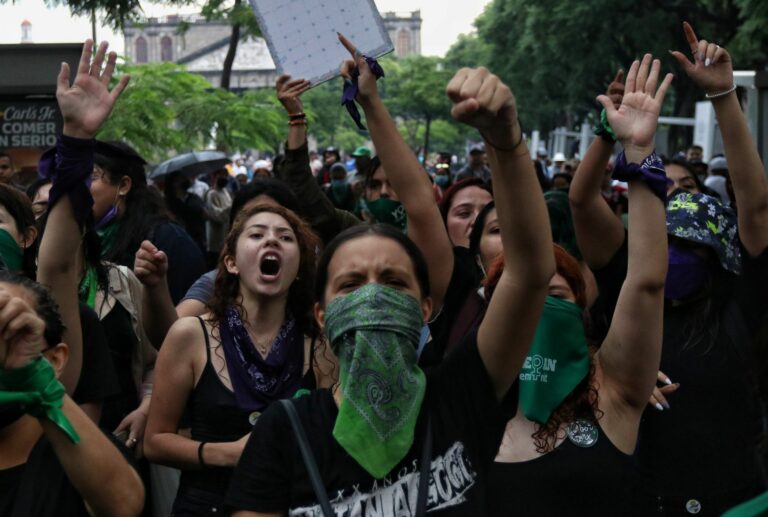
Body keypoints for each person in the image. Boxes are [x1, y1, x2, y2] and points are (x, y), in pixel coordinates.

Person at [225, 39, 554, 517]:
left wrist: (505, 141)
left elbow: (528, 272)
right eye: (351, 284)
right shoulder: (286, 431)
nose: (374, 294)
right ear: (321, 313)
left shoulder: (462, 394)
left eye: (395, 282)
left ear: (425, 308)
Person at [571, 24, 768, 515]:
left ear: (720, 255)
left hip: (741, 501)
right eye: (664, 242)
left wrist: (724, 94)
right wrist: (608, 131)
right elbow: (581, 200)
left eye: (692, 246)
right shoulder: (631, 293)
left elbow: (755, 205)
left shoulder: (740, 303)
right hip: (645, 502)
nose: (672, 256)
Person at [488, 53, 672, 515]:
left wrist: (639, 154)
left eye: (554, 298)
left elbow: (645, 281)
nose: (537, 314)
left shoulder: (614, 391)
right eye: (522, 302)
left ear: (581, 306)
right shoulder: (467, 405)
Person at [143, 202, 337, 515]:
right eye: (257, 234)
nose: (271, 241)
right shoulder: (190, 335)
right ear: (232, 263)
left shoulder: (320, 345)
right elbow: (154, 442)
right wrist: (228, 454)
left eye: (286, 238)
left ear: (300, 268)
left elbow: (330, 442)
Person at [90, 140, 206, 304]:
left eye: (90, 177)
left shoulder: (167, 241)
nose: (79, 187)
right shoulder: (78, 238)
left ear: (123, 185)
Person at [204, 168, 233, 267]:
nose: (224, 178)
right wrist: (230, 208)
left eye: (225, 175)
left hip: (225, 234)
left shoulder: (225, 191)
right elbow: (216, 215)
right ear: (214, 177)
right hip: (215, 237)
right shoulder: (211, 194)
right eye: (221, 175)